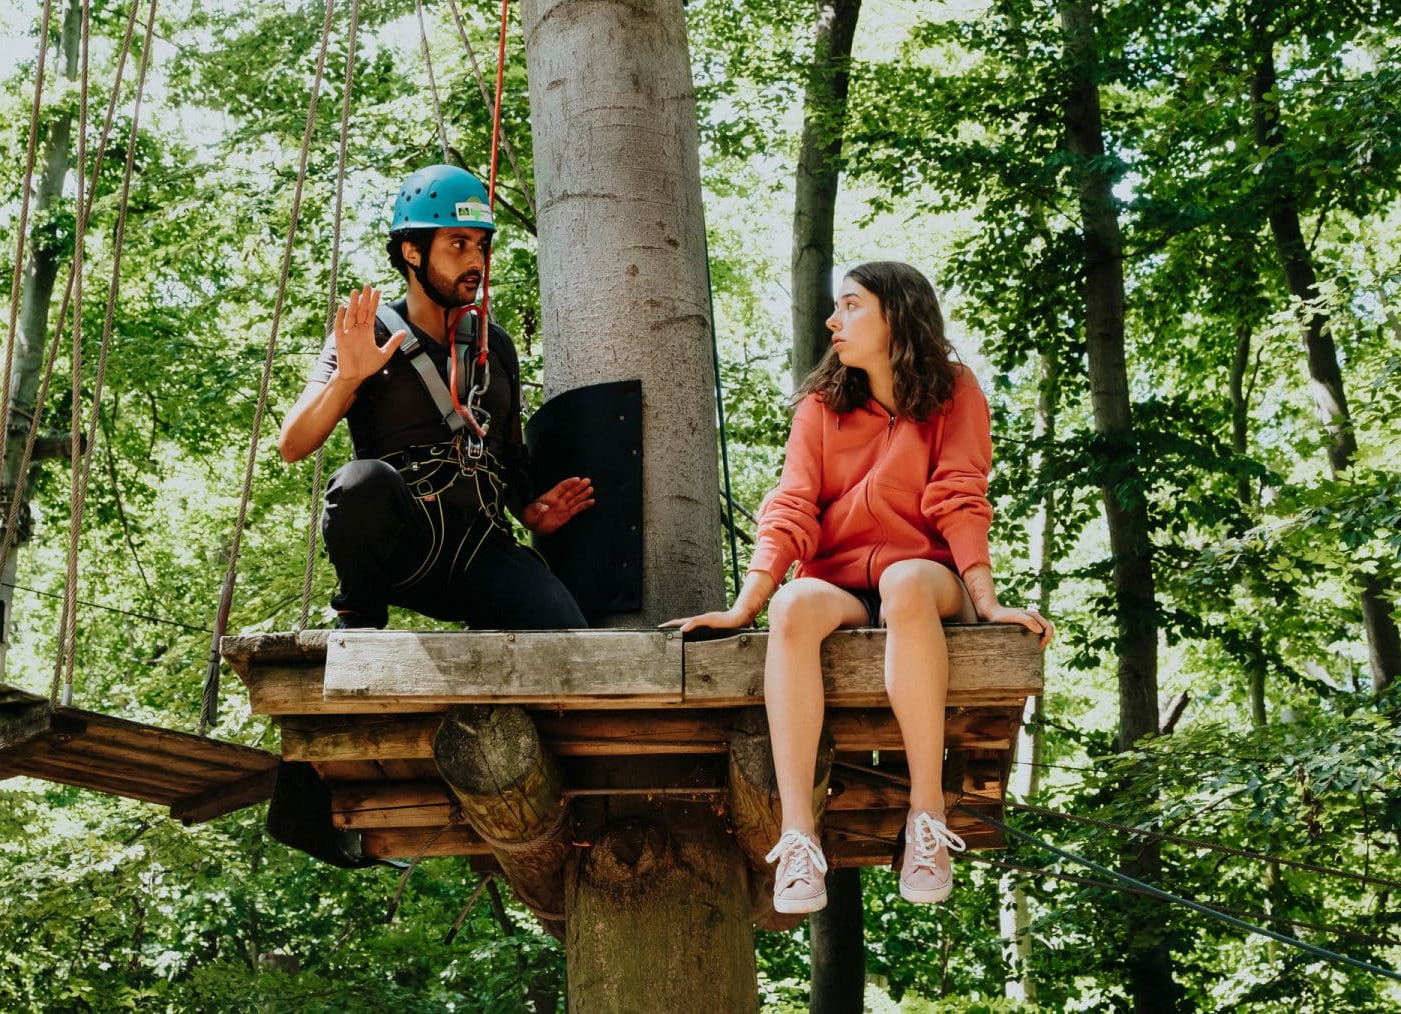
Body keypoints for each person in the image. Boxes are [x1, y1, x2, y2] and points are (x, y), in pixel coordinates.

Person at [666, 261, 1052, 913]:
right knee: (792, 605)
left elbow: (960, 495)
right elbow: (792, 504)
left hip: (928, 578)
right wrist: (747, 604)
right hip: (838, 581)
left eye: (850, 306)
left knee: (903, 581)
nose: (832, 320)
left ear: (896, 315)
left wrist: (987, 602)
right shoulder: (822, 406)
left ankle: (926, 817)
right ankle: (798, 838)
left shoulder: (955, 391)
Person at [278, 164, 592, 630]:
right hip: (407, 542)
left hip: (482, 544)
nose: (476, 261)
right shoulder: (370, 334)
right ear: (412, 251)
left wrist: (529, 508)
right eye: (458, 244)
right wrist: (347, 380)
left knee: (568, 637)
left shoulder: (494, 345)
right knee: (360, 482)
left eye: (482, 246)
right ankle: (358, 622)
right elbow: (292, 444)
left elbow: (508, 452)